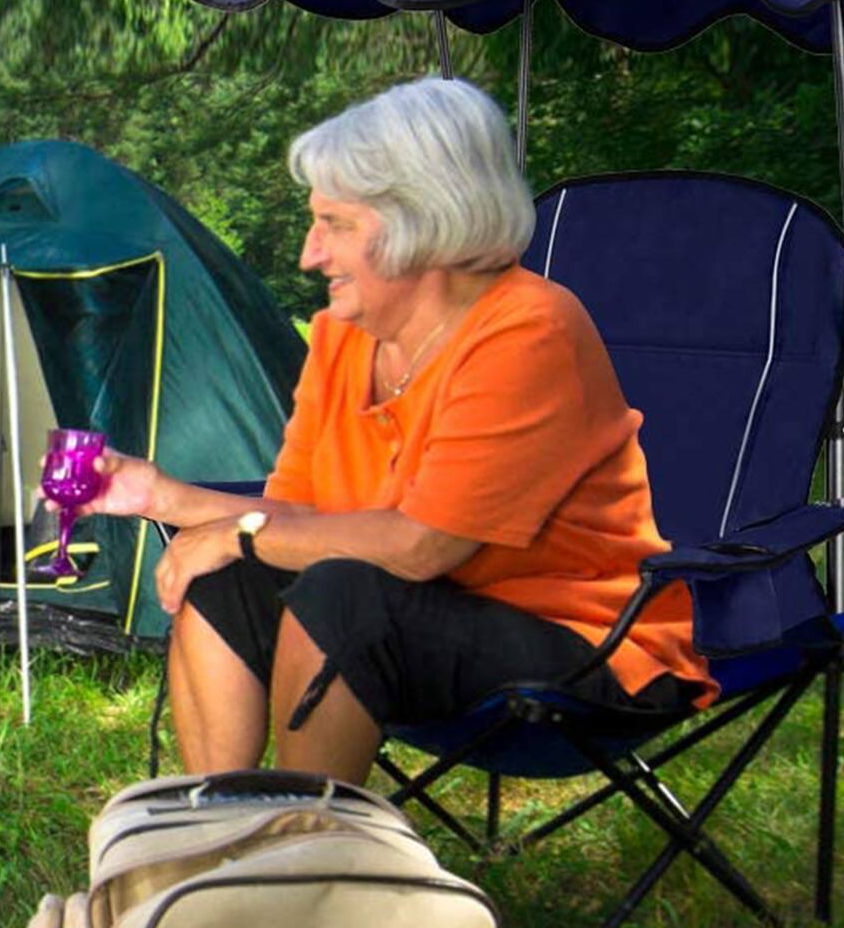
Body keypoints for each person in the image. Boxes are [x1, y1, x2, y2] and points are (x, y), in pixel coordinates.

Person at [77, 76, 711, 784]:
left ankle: (305, 855)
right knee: (223, 579)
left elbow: (419, 547)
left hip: (583, 646)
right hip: (421, 626)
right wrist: (163, 498)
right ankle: (218, 831)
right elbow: (300, 521)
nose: (309, 256)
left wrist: (241, 533)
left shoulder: (530, 332)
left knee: (341, 594)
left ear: (422, 221)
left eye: (335, 225)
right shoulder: (343, 338)